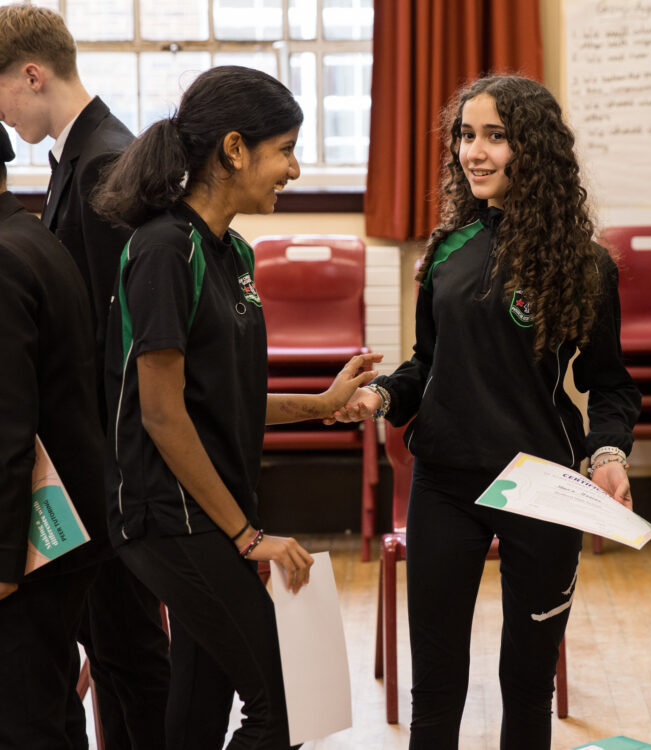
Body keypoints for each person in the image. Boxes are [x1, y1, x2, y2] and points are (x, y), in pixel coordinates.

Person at [334, 75, 642, 750]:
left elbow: (611, 384)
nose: (474, 152)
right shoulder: (444, 251)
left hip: (541, 488)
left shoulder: (586, 266)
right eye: (466, 136)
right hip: (445, 482)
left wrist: (610, 452)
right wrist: (381, 395)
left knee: (527, 688)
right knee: (436, 688)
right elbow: (426, 364)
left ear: (532, 149)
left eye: (494, 137)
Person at [92, 65, 380, 749]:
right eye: (283, 149)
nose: (294, 167)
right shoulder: (164, 250)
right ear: (233, 148)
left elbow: (225, 400)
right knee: (287, 705)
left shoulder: (235, 254)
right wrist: (248, 536)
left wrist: (322, 405)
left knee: (193, 716)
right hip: (168, 519)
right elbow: (162, 415)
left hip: (211, 515)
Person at [0, 6, 170, 747]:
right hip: (98, 466)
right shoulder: (83, 155)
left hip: (110, 469)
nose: (1, 118)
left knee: (131, 660)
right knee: (111, 658)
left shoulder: (103, 162)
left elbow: (119, 345)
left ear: (32, 75)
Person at [0, 125, 109, 748]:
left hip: (30, 547)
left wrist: (4, 561)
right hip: (65, 529)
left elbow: (8, 427)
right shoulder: (31, 236)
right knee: (52, 706)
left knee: (25, 721)